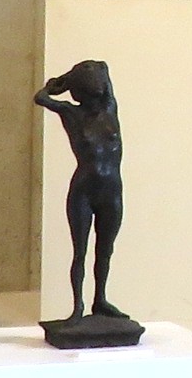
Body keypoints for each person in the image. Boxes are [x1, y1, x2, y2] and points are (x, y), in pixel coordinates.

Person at [32, 61, 135, 341]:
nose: (99, 88)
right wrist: (61, 83)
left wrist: (74, 76)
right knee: (80, 252)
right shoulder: (71, 113)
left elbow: (104, 66)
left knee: (105, 250)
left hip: (112, 191)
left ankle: (100, 300)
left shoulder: (109, 108)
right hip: (84, 191)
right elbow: (41, 98)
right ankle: (77, 307)